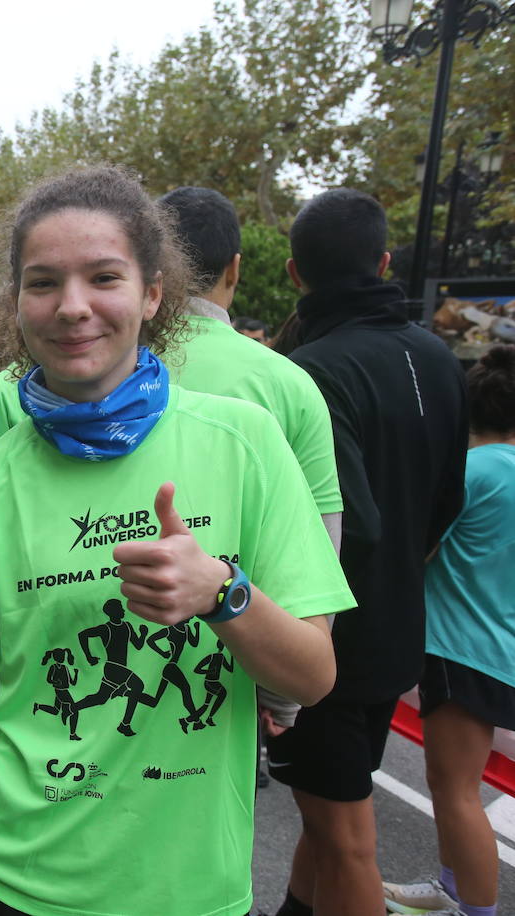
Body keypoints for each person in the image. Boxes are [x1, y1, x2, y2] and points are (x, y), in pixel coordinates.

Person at [0, 167, 351, 916]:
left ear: (152, 293)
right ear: (17, 306)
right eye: (43, 283)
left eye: (103, 277)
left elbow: (312, 678)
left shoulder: (245, 443)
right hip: (3, 880)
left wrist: (223, 593)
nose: (73, 307)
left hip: (190, 892)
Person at [266, 188, 468, 916]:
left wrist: (284, 657)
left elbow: (348, 526)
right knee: (333, 813)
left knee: (346, 835)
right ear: (385, 262)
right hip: (398, 634)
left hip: (329, 646)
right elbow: (450, 500)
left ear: (294, 273)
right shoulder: (441, 359)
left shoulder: (310, 370)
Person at [158, 185, 344, 736]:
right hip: (236, 667)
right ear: (234, 269)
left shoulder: (92, 370)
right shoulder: (288, 384)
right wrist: (281, 699)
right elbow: (319, 546)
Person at [380, 344, 515, 916]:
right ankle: (450, 891)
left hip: (459, 646)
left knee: (456, 789)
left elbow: (424, 548)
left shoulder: (475, 470)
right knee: (452, 783)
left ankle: (475, 909)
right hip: (497, 641)